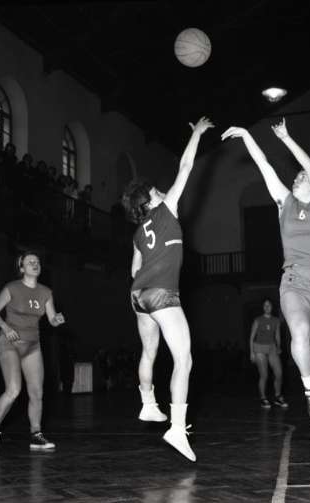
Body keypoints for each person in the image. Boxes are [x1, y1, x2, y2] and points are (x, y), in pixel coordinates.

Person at [222, 118, 310, 449]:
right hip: (294, 281)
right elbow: (263, 164)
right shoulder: (284, 202)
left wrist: (287, 139)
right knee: (299, 333)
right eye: (297, 177)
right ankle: (308, 390)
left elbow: (309, 167)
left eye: (303, 177)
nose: (298, 178)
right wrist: (246, 134)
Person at [123, 116, 214, 462]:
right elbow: (186, 166)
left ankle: (148, 403)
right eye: (156, 190)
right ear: (150, 199)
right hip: (161, 293)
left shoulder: (137, 232)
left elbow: (133, 269)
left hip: (138, 295)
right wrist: (197, 134)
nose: (161, 189)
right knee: (183, 359)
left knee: (149, 352)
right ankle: (176, 429)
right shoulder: (166, 208)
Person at [0, 251, 65, 455]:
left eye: (37, 261)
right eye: (30, 262)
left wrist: (56, 320)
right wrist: (5, 327)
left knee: (37, 393)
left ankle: (36, 435)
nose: (35, 263)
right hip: (10, 343)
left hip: (33, 345)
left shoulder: (46, 292)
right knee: (13, 390)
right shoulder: (12, 288)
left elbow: (51, 319)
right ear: (22, 268)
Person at [249, 299, 288, 409]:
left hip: (272, 348)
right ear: (263, 307)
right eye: (265, 305)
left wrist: (279, 347)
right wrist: (252, 353)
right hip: (259, 348)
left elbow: (277, 335)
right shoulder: (258, 320)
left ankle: (277, 397)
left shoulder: (276, 320)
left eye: (269, 305)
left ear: (272, 307)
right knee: (264, 375)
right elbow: (251, 337)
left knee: (279, 373)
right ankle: (263, 398)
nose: (267, 307)